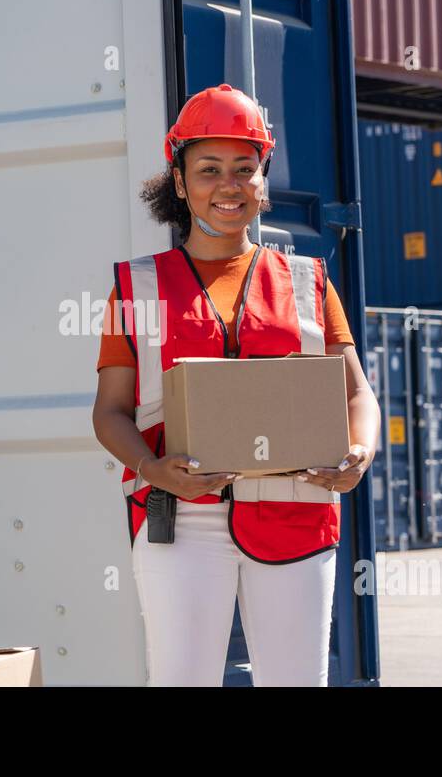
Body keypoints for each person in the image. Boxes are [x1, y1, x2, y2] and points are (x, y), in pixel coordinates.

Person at [91, 84, 380, 686]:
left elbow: (356, 395)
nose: (228, 185)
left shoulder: (307, 281)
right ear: (179, 182)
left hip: (294, 511)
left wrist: (360, 453)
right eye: (209, 169)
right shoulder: (135, 289)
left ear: (263, 181)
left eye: (245, 169)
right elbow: (110, 412)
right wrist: (151, 468)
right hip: (181, 517)